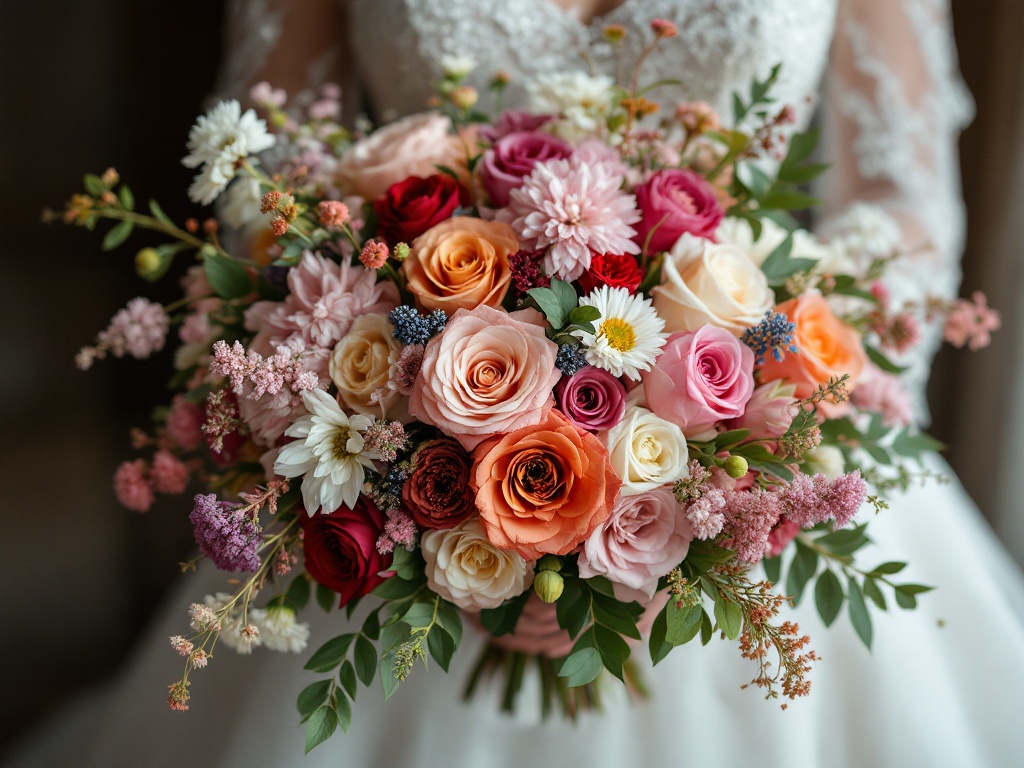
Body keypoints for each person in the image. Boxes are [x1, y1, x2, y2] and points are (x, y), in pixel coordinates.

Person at [10, 1, 1024, 766]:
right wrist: (425, 481)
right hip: (388, 446)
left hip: (755, 458)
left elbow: (899, 209)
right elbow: (263, 178)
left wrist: (741, 468)